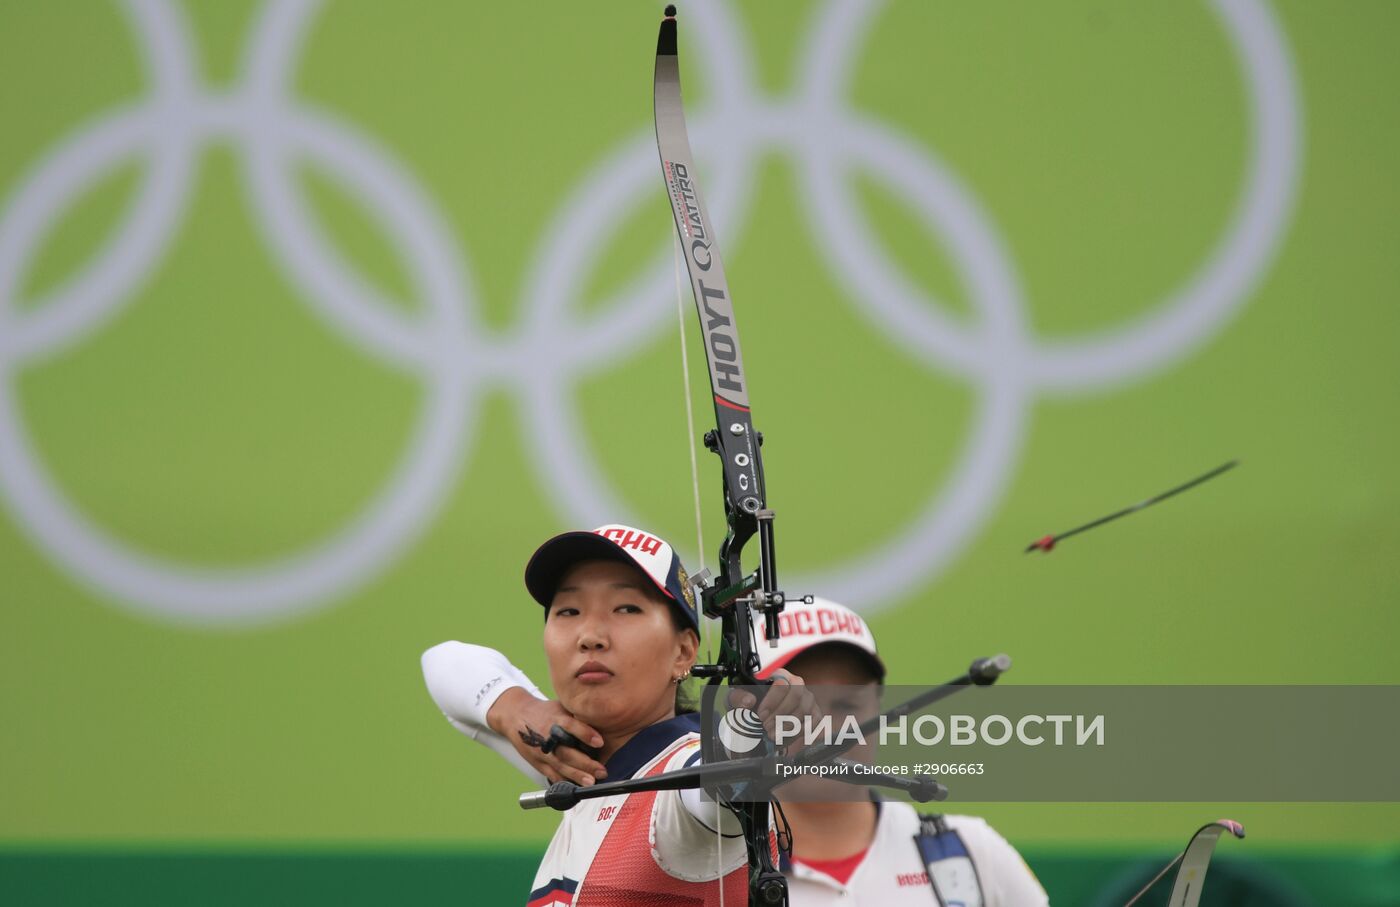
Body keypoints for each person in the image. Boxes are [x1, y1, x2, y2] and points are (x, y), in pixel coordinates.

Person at [426, 581, 1049, 906]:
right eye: (794, 693)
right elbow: (446, 663)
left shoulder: (966, 855)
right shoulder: (656, 788)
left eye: (849, 692)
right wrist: (520, 710)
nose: (824, 716)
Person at [422, 523, 814, 905]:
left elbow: (722, 788)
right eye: (569, 610)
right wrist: (516, 708)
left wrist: (757, 729)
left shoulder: (683, 780)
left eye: (626, 608)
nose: (590, 635)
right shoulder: (575, 765)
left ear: (683, 652)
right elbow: (442, 662)